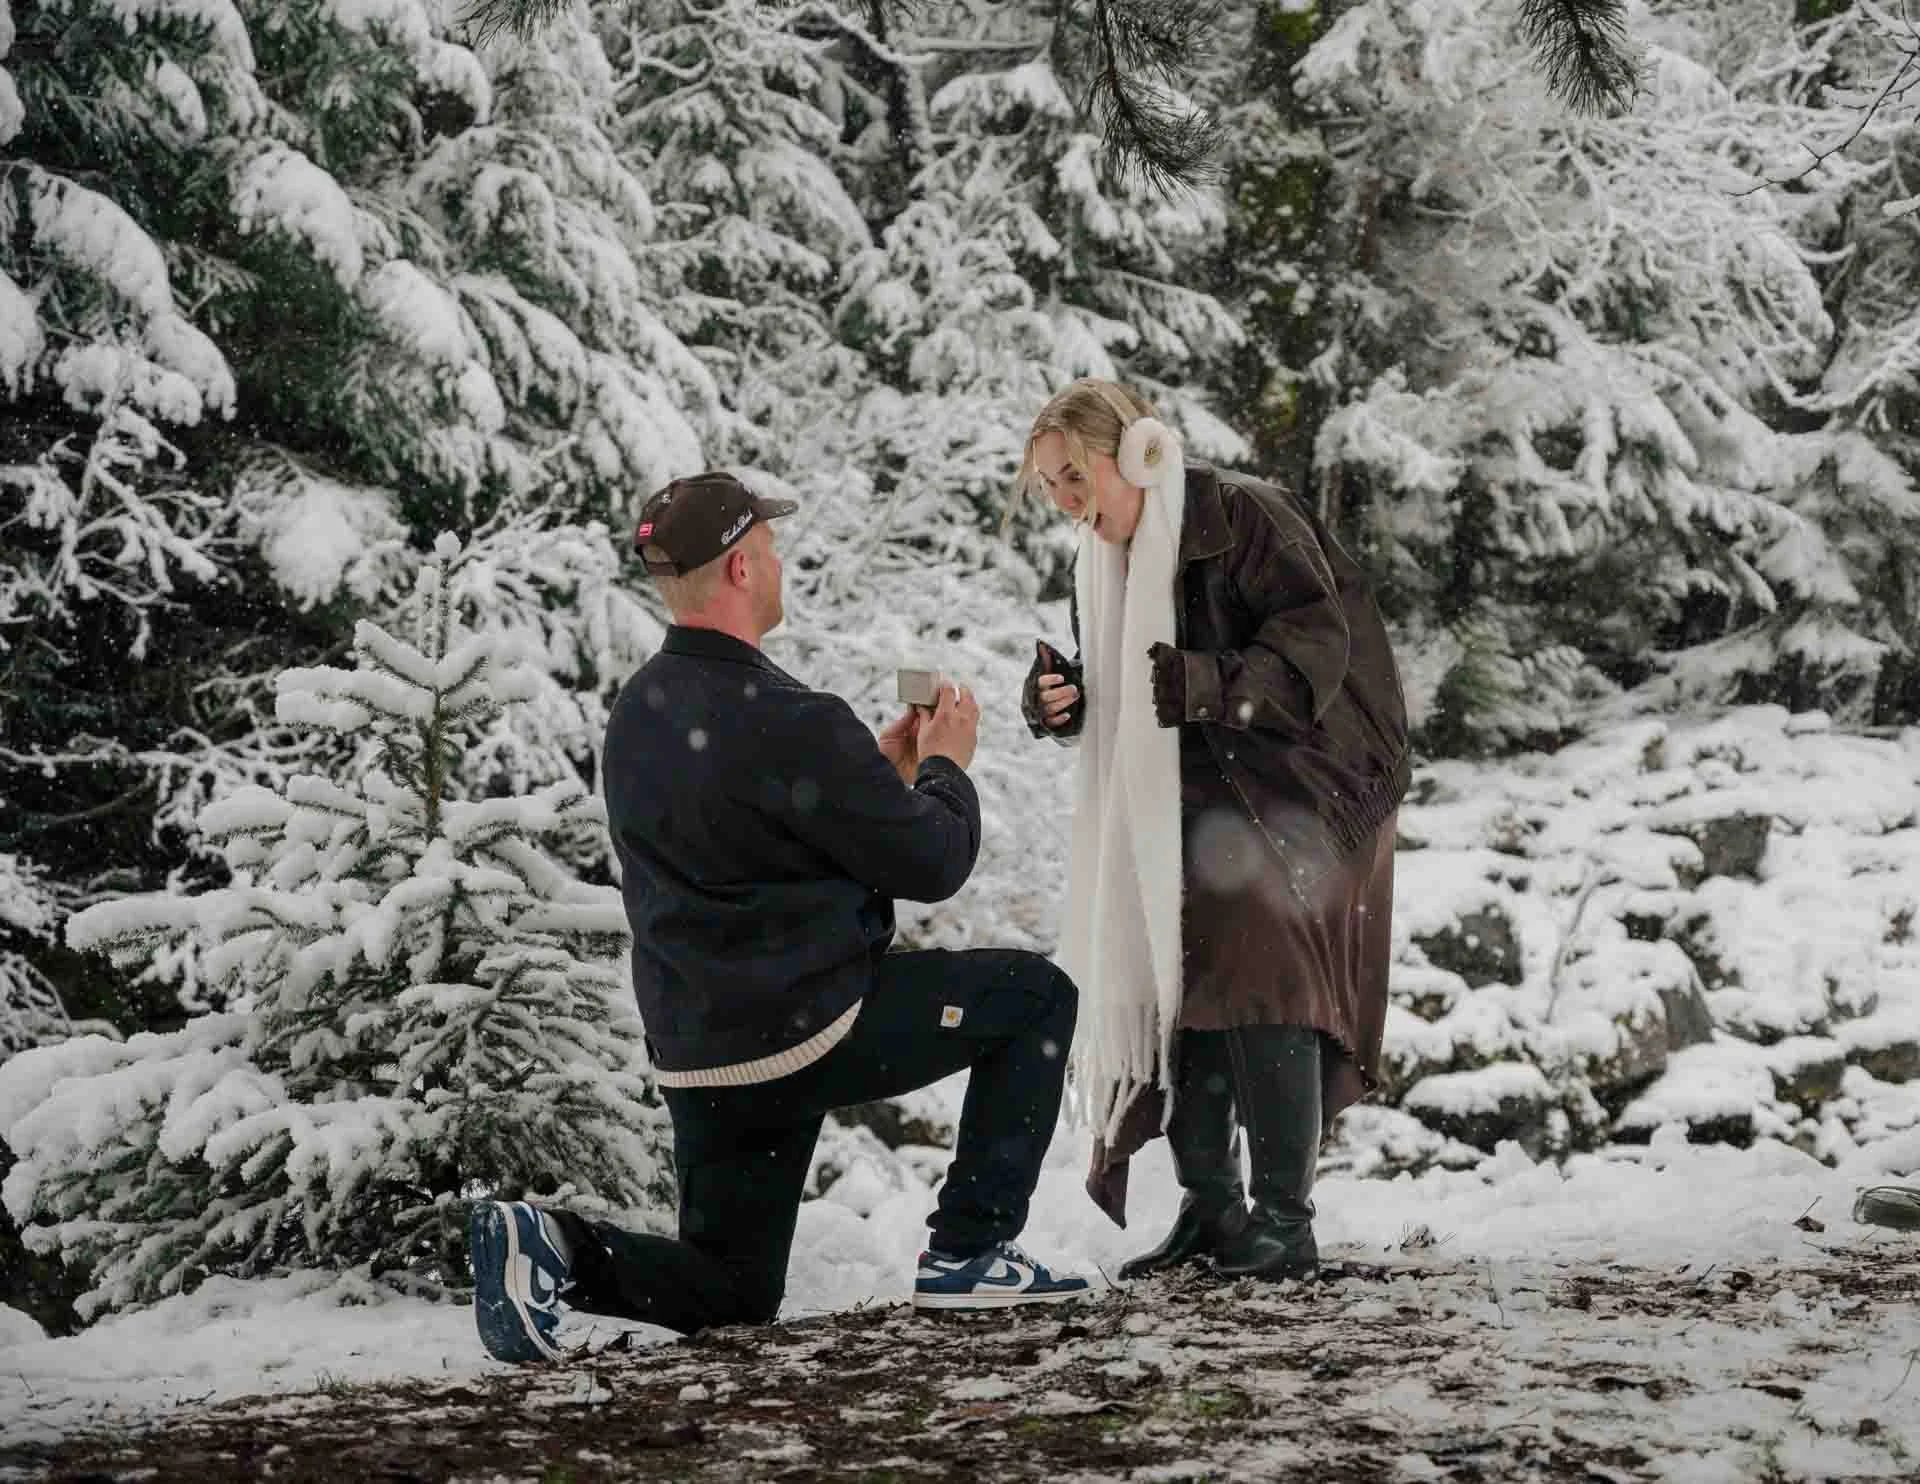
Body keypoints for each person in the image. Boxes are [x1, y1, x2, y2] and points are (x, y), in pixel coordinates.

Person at [470, 470, 1090, 1365]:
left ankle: (553, 1247)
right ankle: (971, 1250)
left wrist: (878, 777)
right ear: (739, 568)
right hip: (808, 1029)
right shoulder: (795, 718)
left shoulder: (639, 711)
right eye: (768, 547)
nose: (779, 562)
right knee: (1036, 999)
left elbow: (748, 841)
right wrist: (946, 767)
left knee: (733, 1289)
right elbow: (934, 861)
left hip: (701, 1050)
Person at [1017, 380, 1410, 1282]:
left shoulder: (1245, 516)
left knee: (1261, 967)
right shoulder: (1104, 562)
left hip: (1309, 778)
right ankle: (1214, 1210)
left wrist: (1205, 682)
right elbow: (1127, 690)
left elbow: (1316, 648)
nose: (1067, 504)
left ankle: (1284, 1224)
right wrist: (1059, 701)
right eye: (1050, 488)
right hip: (1197, 787)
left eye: (1075, 477)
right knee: (1178, 970)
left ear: (1136, 452)